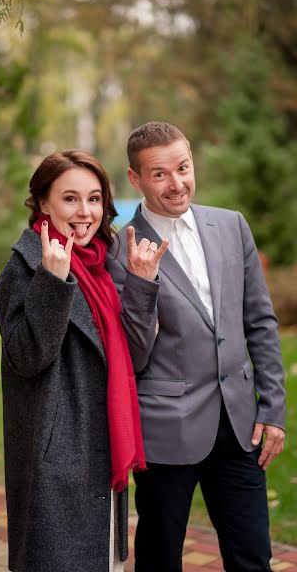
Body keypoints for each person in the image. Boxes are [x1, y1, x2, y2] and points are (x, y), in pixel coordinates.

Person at [106, 122, 286, 572]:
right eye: (159, 174)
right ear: (136, 179)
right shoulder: (120, 250)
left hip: (240, 424)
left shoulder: (231, 225)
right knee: (160, 559)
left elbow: (260, 321)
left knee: (252, 557)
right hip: (168, 428)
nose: (176, 183)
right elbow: (133, 354)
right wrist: (142, 285)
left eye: (182, 168)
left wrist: (273, 409)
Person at [0, 150, 148, 572]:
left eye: (94, 199)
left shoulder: (100, 267)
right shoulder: (25, 267)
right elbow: (25, 359)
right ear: (43, 203)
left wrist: (141, 284)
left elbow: (133, 355)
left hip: (100, 456)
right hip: (56, 465)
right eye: (70, 199)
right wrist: (51, 281)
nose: (85, 212)